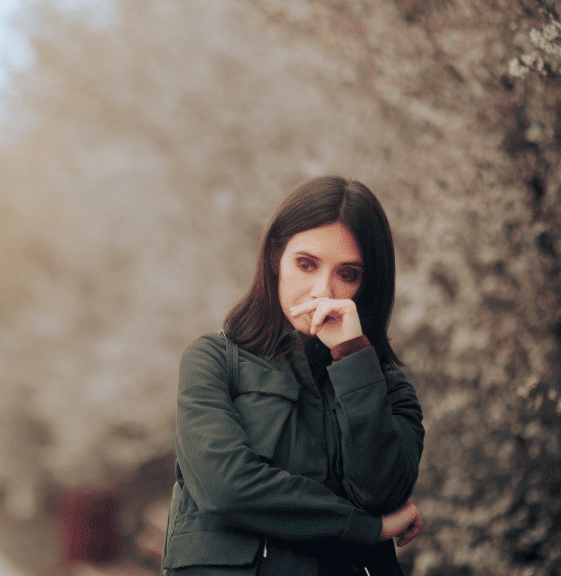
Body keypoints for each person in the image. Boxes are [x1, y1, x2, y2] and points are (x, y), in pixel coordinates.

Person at [161, 176, 425, 575]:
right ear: (274, 258)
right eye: (306, 264)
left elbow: (382, 493)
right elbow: (227, 490)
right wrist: (367, 529)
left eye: (347, 274)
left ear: (366, 286)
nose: (323, 290)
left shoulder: (387, 390)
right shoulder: (212, 362)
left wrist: (351, 356)